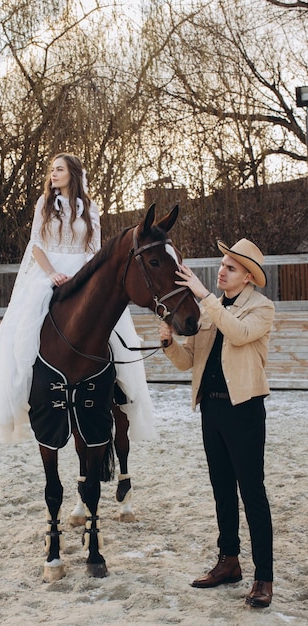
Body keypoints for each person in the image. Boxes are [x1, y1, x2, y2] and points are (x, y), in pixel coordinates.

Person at [0, 153, 156, 452]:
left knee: (111, 328)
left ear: (73, 174)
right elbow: (36, 245)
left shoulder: (89, 207)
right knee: (23, 330)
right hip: (48, 274)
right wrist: (51, 274)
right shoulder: (43, 204)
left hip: (83, 273)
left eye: (59, 169)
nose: (53, 174)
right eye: (51, 170)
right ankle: (26, 390)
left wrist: (85, 280)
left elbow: (94, 249)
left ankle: (120, 391)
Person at [159, 238, 274, 609]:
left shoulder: (261, 308)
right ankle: (229, 563)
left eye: (230, 267)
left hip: (244, 411)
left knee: (252, 494)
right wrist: (168, 344)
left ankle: (263, 578)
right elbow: (188, 362)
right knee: (222, 490)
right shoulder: (211, 311)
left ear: (247, 278)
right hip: (212, 410)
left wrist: (205, 295)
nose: (222, 271)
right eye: (222, 265)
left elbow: (238, 334)